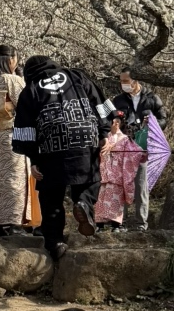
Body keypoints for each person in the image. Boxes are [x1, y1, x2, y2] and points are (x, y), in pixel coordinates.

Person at [12, 54, 115, 260]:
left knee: (50, 194)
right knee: (89, 178)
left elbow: (26, 128)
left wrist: (34, 159)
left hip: (52, 143)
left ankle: (55, 243)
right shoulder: (77, 76)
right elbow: (99, 103)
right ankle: (84, 203)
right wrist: (104, 133)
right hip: (84, 135)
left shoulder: (30, 90)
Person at [0, 44, 35, 237]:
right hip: (11, 134)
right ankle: (14, 223)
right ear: (11, 60)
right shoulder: (12, 80)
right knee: (15, 179)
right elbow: (25, 105)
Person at [112, 67, 167, 231]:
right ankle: (120, 223)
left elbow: (164, 119)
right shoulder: (118, 100)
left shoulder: (152, 98)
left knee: (141, 185)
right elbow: (109, 120)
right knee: (122, 184)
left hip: (143, 145)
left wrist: (153, 125)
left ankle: (141, 223)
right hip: (122, 145)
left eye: (125, 81)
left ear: (136, 80)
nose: (122, 84)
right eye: (121, 81)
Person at [95, 113, 147, 229]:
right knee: (100, 199)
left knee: (116, 200)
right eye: (113, 122)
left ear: (121, 124)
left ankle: (116, 225)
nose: (115, 124)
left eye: (118, 122)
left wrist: (142, 153)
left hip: (117, 173)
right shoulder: (103, 138)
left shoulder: (125, 139)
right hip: (103, 171)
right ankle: (99, 225)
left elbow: (134, 152)